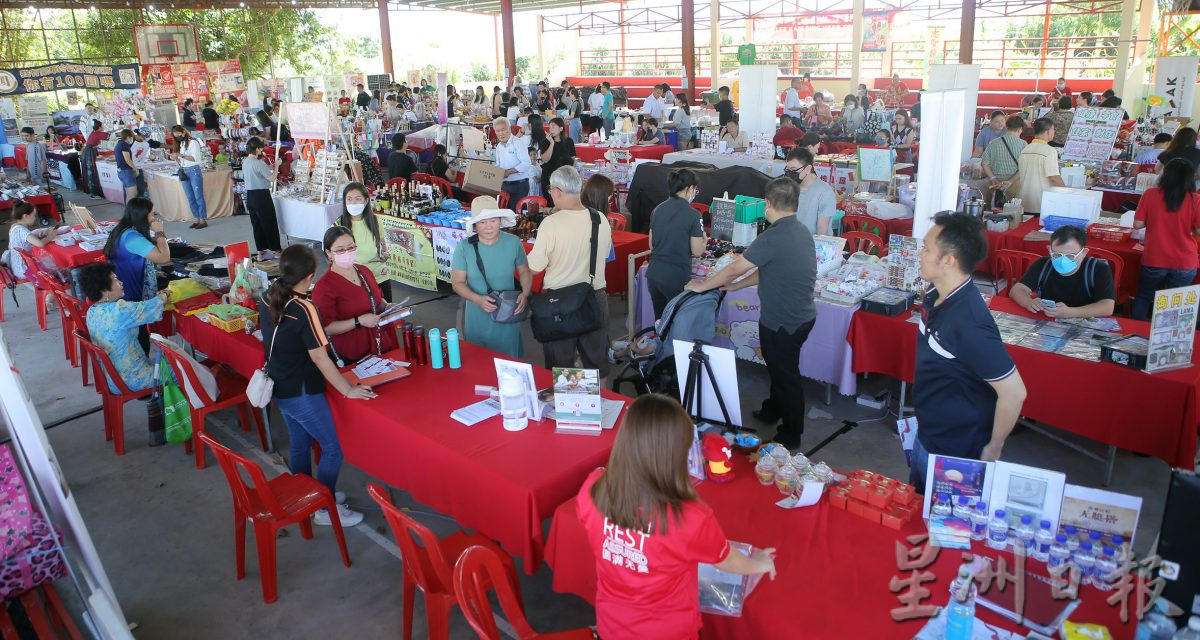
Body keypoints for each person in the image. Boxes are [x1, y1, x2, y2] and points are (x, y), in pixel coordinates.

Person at [577, 393, 776, 640]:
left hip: (612, 625)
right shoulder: (689, 517)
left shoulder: (593, 487)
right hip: (669, 631)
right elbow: (728, 561)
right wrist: (759, 563)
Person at [687, 178, 816, 450]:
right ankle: (772, 410)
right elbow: (767, 269)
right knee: (778, 366)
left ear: (767, 204)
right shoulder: (801, 230)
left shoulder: (773, 236)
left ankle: (791, 433)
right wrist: (737, 286)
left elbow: (735, 268)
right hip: (800, 316)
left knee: (786, 375)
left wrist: (703, 285)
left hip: (784, 320)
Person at [911, 212, 1027, 491]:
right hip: (929, 432)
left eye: (927, 248)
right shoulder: (934, 294)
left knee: (943, 517)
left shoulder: (969, 323)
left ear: (949, 260)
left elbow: (1014, 392)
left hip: (957, 450)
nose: (920, 254)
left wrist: (994, 447)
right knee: (916, 508)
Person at [263, 244, 371, 527]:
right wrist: (348, 389)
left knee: (300, 444)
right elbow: (320, 357)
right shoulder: (304, 308)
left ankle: (308, 497)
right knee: (332, 447)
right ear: (310, 276)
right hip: (301, 390)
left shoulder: (269, 295)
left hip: (280, 386)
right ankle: (324, 507)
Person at [527, 166, 614, 381]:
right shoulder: (600, 218)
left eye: (550, 190)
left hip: (559, 304)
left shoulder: (551, 223)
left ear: (557, 191)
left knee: (562, 370)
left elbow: (534, 268)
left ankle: (568, 402)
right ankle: (601, 402)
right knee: (597, 367)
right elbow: (604, 255)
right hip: (594, 298)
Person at [450, 206, 533, 358]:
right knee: (478, 360)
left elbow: (524, 271)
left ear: (500, 221)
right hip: (477, 316)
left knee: (508, 361)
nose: (488, 227)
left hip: (507, 313)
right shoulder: (464, 247)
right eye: (482, 222)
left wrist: (525, 293)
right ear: (475, 225)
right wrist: (477, 299)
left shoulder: (513, 242)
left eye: (493, 221)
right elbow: (457, 282)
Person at [312, 226, 399, 364]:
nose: (347, 252)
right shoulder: (324, 286)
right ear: (328, 253)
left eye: (351, 247)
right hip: (351, 352)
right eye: (340, 250)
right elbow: (326, 328)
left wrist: (387, 306)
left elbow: (376, 300)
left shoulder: (364, 271)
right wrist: (358, 322)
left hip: (379, 343)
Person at [81, 262, 169, 394]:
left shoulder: (92, 311)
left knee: (173, 361)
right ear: (104, 291)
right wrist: (165, 294)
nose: (121, 283)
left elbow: (141, 308)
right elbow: (152, 306)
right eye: (116, 280)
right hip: (133, 378)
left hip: (113, 378)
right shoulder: (119, 310)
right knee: (184, 369)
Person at [1132, 158, 1200, 320]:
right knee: (1175, 302)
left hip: (1154, 257)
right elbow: (1198, 230)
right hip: (1184, 260)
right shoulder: (1196, 199)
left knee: (1144, 296)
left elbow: (1137, 224)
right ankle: (1167, 333)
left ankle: (1136, 329)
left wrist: (1155, 219)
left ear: (1165, 175)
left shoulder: (1150, 194)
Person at [1009, 225, 1116, 318]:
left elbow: (1107, 306)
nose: (1062, 260)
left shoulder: (1098, 269)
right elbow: (1017, 289)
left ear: (1084, 253)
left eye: (1070, 256)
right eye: (1057, 255)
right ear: (1049, 250)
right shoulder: (1043, 264)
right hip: (1047, 319)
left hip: (1083, 320)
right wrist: (1028, 302)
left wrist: (1070, 312)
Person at [646, 169, 706, 318]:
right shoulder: (693, 214)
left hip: (654, 274)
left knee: (660, 321)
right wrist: (704, 240)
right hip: (675, 276)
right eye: (695, 190)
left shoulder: (658, 209)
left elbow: (651, 245)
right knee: (676, 322)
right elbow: (697, 251)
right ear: (690, 189)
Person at [103, 197, 172, 305]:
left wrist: (156, 238)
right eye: (152, 214)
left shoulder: (123, 229)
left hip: (122, 285)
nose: (154, 219)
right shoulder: (132, 238)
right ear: (143, 216)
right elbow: (164, 258)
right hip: (129, 293)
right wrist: (159, 232)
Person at [337, 182, 389, 285]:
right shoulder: (339, 225)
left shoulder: (375, 220)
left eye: (358, 199)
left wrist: (385, 253)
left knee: (385, 296)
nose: (353, 203)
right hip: (353, 275)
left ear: (366, 201)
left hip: (378, 273)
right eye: (349, 199)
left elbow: (382, 242)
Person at [241, 137, 282, 261]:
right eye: (261, 148)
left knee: (257, 224)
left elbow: (258, 171)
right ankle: (276, 250)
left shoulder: (245, 161)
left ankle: (260, 252)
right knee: (269, 222)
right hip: (262, 195)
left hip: (250, 195)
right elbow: (272, 178)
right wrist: (277, 166)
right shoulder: (259, 163)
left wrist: (270, 166)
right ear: (257, 149)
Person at [1015, 118, 1065, 215]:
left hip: (1023, 202)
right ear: (1048, 131)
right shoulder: (1049, 151)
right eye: (1053, 129)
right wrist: (1066, 191)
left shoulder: (1025, 149)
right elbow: (1054, 178)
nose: (1054, 132)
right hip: (1041, 203)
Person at [784, 147, 835, 236]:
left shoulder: (825, 192)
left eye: (793, 170)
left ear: (808, 169)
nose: (789, 174)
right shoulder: (789, 188)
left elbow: (822, 233)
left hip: (811, 242)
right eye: (787, 170)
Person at [170, 125, 209, 228]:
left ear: (183, 132)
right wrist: (175, 157)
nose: (177, 137)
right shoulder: (181, 143)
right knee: (190, 197)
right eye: (175, 136)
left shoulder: (193, 142)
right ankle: (197, 218)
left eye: (178, 134)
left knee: (198, 196)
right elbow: (181, 161)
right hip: (184, 170)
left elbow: (194, 158)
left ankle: (203, 219)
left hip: (193, 170)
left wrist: (180, 155)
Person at [982, 115, 1029, 201]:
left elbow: (984, 163)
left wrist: (993, 178)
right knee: (1012, 208)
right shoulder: (1023, 144)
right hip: (1015, 185)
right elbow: (1024, 167)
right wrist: (1010, 181)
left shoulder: (993, 143)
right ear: (1020, 129)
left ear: (1006, 127)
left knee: (994, 207)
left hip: (996, 184)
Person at [5, 201, 53, 281]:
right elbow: (40, 244)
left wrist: (42, 234)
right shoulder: (21, 230)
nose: (35, 218)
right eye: (33, 215)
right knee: (54, 265)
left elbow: (28, 237)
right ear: (26, 216)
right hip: (24, 270)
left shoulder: (15, 226)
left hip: (17, 267)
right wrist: (51, 236)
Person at [492, 117, 535, 205]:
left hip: (519, 185)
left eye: (503, 130)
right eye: (497, 131)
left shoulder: (518, 143)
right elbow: (498, 164)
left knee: (516, 212)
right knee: (504, 211)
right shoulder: (499, 146)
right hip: (505, 185)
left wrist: (509, 172)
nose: (501, 133)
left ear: (509, 128)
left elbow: (527, 163)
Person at [542, 117, 576, 201]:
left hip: (564, 177)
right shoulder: (546, 141)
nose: (550, 129)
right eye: (549, 127)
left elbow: (572, 159)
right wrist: (552, 143)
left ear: (561, 128)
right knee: (550, 202)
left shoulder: (569, 141)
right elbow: (545, 160)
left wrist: (571, 174)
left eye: (553, 127)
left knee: (564, 202)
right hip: (549, 177)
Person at [113, 129, 145, 201]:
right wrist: (135, 169)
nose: (132, 139)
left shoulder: (119, 144)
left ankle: (128, 208)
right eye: (131, 137)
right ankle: (129, 208)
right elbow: (127, 160)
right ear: (128, 137)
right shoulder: (124, 145)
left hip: (121, 171)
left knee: (129, 194)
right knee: (133, 194)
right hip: (126, 171)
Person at [81, 120, 108, 198]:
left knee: (91, 171)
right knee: (92, 171)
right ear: (99, 127)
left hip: (88, 152)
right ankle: (94, 193)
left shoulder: (94, 132)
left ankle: (93, 192)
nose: (103, 127)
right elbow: (108, 136)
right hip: (90, 153)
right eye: (102, 125)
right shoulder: (97, 133)